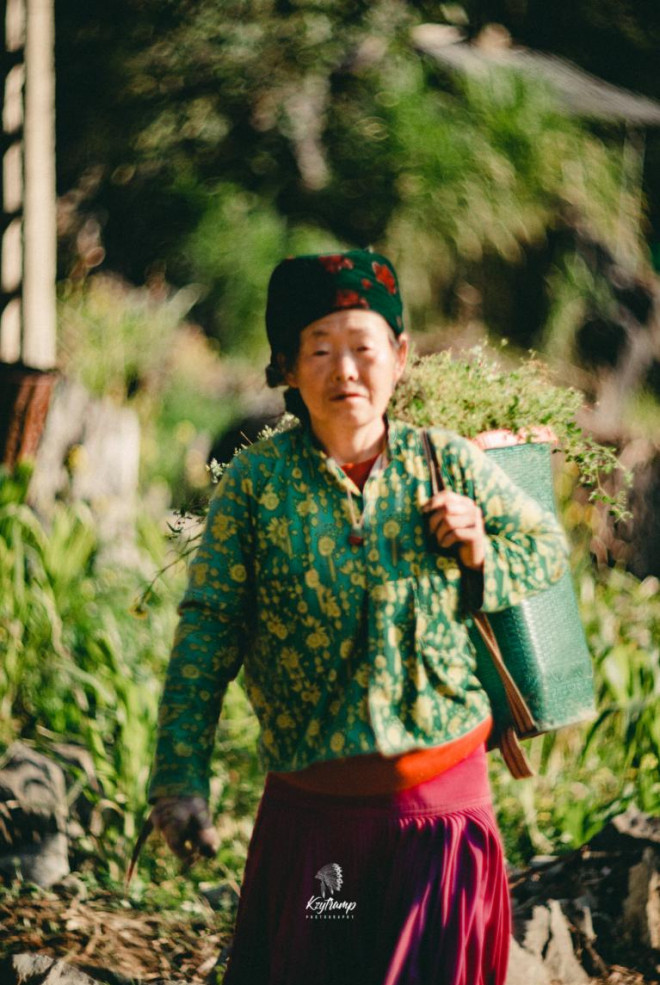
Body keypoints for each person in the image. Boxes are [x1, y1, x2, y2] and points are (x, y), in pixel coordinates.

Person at [146, 249, 569, 985]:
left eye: (364, 348)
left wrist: (478, 552)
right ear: (285, 367)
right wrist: (180, 776)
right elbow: (209, 629)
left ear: (400, 358)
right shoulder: (256, 486)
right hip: (319, 835)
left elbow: (546, 551)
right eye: (320, 349)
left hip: (442, 823)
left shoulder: (448, 463)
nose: (345, 370)